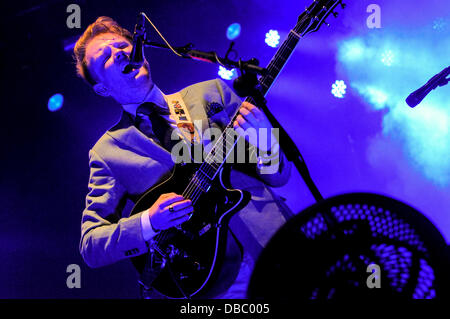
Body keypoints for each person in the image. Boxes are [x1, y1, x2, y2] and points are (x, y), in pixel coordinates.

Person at [74, 16, 293, 298]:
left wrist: (265, 138)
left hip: (276, 243)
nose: (118, 52)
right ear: (102, 88)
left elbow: (279, 177)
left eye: (122, 45)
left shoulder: (210, 93)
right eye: (105, 57)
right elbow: (91, 246)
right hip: (211, 281)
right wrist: (148, 222)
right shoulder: (108, 152)